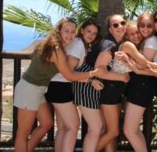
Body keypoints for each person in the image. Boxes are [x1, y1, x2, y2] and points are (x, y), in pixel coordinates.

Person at [13, 17, 106, 152]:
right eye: (66, 31)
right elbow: (69, 75)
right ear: (59, 31)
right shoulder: (56, 49)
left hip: (40, 89)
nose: (70, 35)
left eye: (72, 32)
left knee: (47, 123)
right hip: (29, 88)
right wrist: (93, 74)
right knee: (22, 134)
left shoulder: (61, 46)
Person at [123, 12, 157, 152]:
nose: (145, 28)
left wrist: (130, 61)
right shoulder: (146, 42)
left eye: (149, 25)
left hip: (143, 86)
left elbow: (145, 65)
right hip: (139, 86)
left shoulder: (151, 41)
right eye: (142, 25)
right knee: (133, 130)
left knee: (129, 130)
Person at [95, 14, 130, 152]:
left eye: (122, 23)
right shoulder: (109, 44)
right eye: (115, 25)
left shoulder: (118, 44)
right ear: (110, 29)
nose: (120, 26)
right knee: (113, 132)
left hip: (113, 93)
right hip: (108, 93)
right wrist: (121, 78)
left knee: (109, 132)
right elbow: (98, 70)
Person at [70, 19, 104, 152]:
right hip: (83, 89)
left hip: (81, 88)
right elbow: (70, 72)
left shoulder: (81, 44)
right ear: (82, 30)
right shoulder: (78, 44)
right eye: (88, 31)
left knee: (93, 128)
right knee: (96, 127)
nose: (91, 35)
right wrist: (91, 80)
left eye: (94, 33)